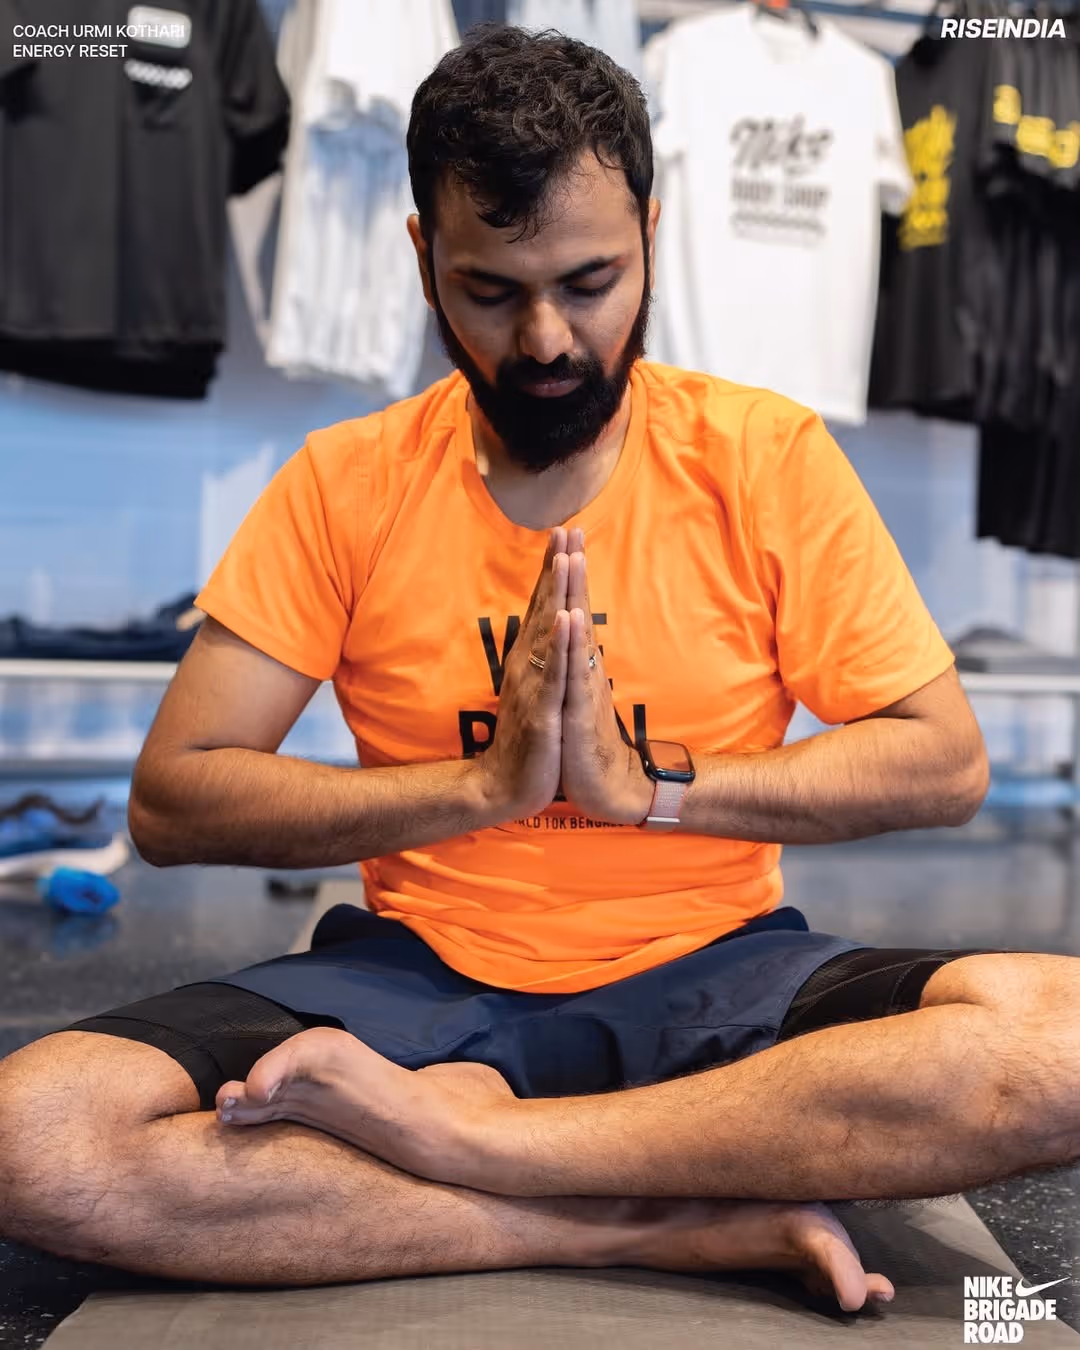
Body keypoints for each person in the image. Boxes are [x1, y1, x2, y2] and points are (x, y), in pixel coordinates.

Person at [3, 23, 1079, 1317]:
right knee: (34, 1134)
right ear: (422, 262)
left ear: (652, 238)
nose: (550, 339)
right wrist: (479, 785)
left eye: (589, 280)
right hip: (418, 977)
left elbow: (943, 758)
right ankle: (656, 1220)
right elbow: (171, 802)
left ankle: (478, 1151)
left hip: (717, 969)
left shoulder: (767, 458)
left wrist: (650, 789)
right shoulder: (345, 482)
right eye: (494, 291)